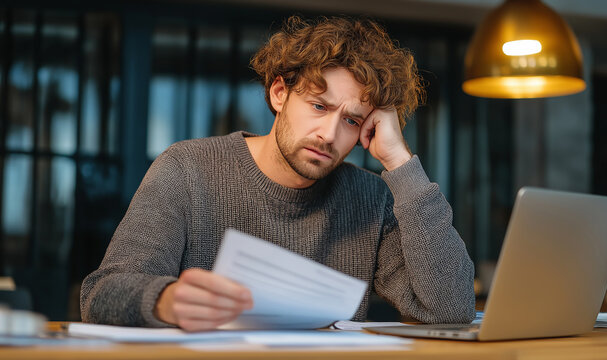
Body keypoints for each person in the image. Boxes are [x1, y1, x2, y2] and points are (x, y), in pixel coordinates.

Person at [80, 15, 475, 331]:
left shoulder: (371, 199)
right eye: (319, 106)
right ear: (279, 93)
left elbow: (450, 308)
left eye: (352, 121)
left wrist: (400, 162)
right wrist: (165, 300)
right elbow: (100, 295)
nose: (329, 135)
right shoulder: (188, 169)